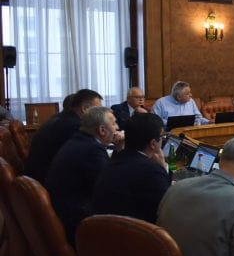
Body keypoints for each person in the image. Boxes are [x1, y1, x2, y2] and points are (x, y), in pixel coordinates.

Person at [46, 106, 121, 246]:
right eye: (114, 123)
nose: (117, 127)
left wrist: (118, 149)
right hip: (78, 222)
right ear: (102, 130)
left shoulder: (80, 140)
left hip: (64, 210)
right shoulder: (93, 150)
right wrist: (122, 151)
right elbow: (110, 187)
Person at [92, 113, 171, 224]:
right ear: (153, 144)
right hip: (135, 231)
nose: (162, 140)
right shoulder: (152, 171)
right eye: (162, 137)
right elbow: (168, 205)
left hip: (103, 228)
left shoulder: (115, 159)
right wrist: (162, 167)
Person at [25, 88, 103, 183]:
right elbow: (89, 154)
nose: (101, 114)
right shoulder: (74, 125)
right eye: (98, 110)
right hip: (46, 180)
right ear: (84, 108)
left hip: (37, 177)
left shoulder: (60, 118)